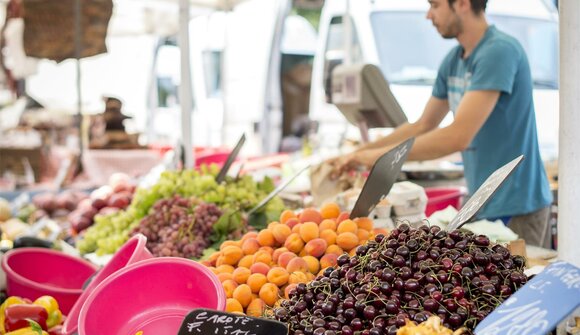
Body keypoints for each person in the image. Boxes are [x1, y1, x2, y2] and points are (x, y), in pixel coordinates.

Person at [330, 0, 553, 248]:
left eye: (435, 5)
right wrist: (358, 153)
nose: (428, 15)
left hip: (518, 205)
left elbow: (458, 136)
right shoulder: (454, 60)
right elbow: (423, 124)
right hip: (480, 199)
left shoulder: (498, 51)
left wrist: (375, 158)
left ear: (462, 4)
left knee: (517, 282)